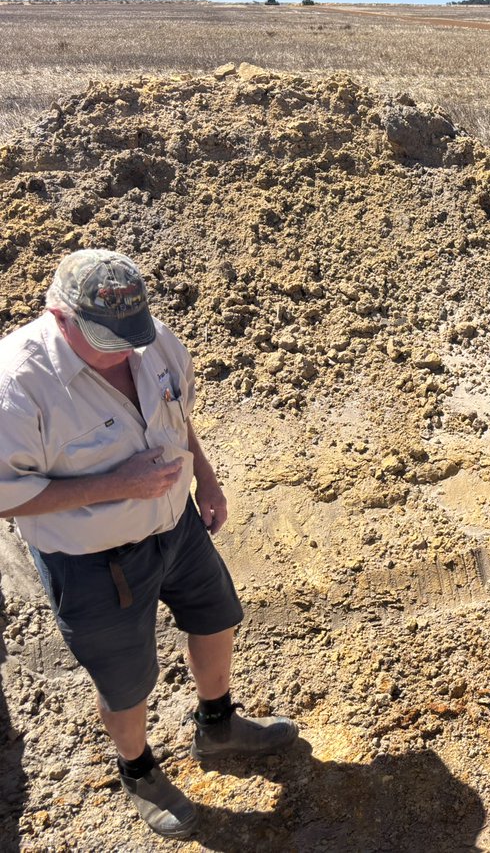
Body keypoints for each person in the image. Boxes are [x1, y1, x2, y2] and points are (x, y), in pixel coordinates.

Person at [0, 251, 297, 838]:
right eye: (105, 339)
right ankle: (137, 770)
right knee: (127, 678)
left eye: (130, 335)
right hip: (92, 562)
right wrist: (118, 485)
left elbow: (176, 416)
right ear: (59, 317)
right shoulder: (17, 385)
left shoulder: (151, 340)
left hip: (177, 525)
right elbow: (6, 494)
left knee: (217, 617)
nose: (124, 350)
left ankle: (217, 724)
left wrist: (206, 480)